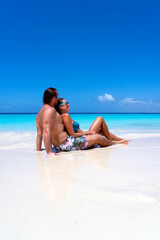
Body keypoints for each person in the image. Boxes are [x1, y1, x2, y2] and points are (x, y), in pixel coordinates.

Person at [36, 88, 128, 158]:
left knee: (98, 134)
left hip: (61, 145)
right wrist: (49, 152)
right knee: (98, 137)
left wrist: (38, 149)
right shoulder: (50, 110)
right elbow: (46, 131)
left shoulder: (39, 114)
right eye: (57, 96)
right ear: (53, 98)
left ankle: (116, 141)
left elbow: (39, 134)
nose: (56, 100)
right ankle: (116, 143)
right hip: (67, 144)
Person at [55, 98, 129, 143]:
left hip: (85, 135)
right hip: (83, 137)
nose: (69, 105)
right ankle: (111, 141)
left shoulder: (64, 116)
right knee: (100, 118)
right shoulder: (65, 116)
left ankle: (120, 139)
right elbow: (72, 135)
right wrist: (87, 132)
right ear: (60, 107)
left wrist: (86, 132)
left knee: (101, 130)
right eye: (67, 103)